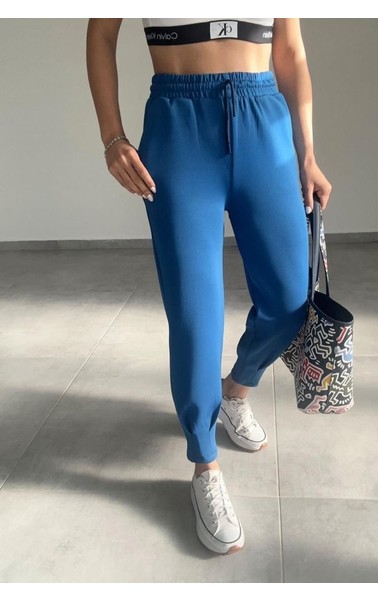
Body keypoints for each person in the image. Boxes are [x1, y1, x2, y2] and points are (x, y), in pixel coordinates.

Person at [86, 17, 332, 555]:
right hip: (178, 124)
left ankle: (235, 390)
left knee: (291, 299)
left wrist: (307, 153)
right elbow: (100, 33)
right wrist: (112, 137)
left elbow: (290, 52)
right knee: (195, 314)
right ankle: (204, 463)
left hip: (264, 119)